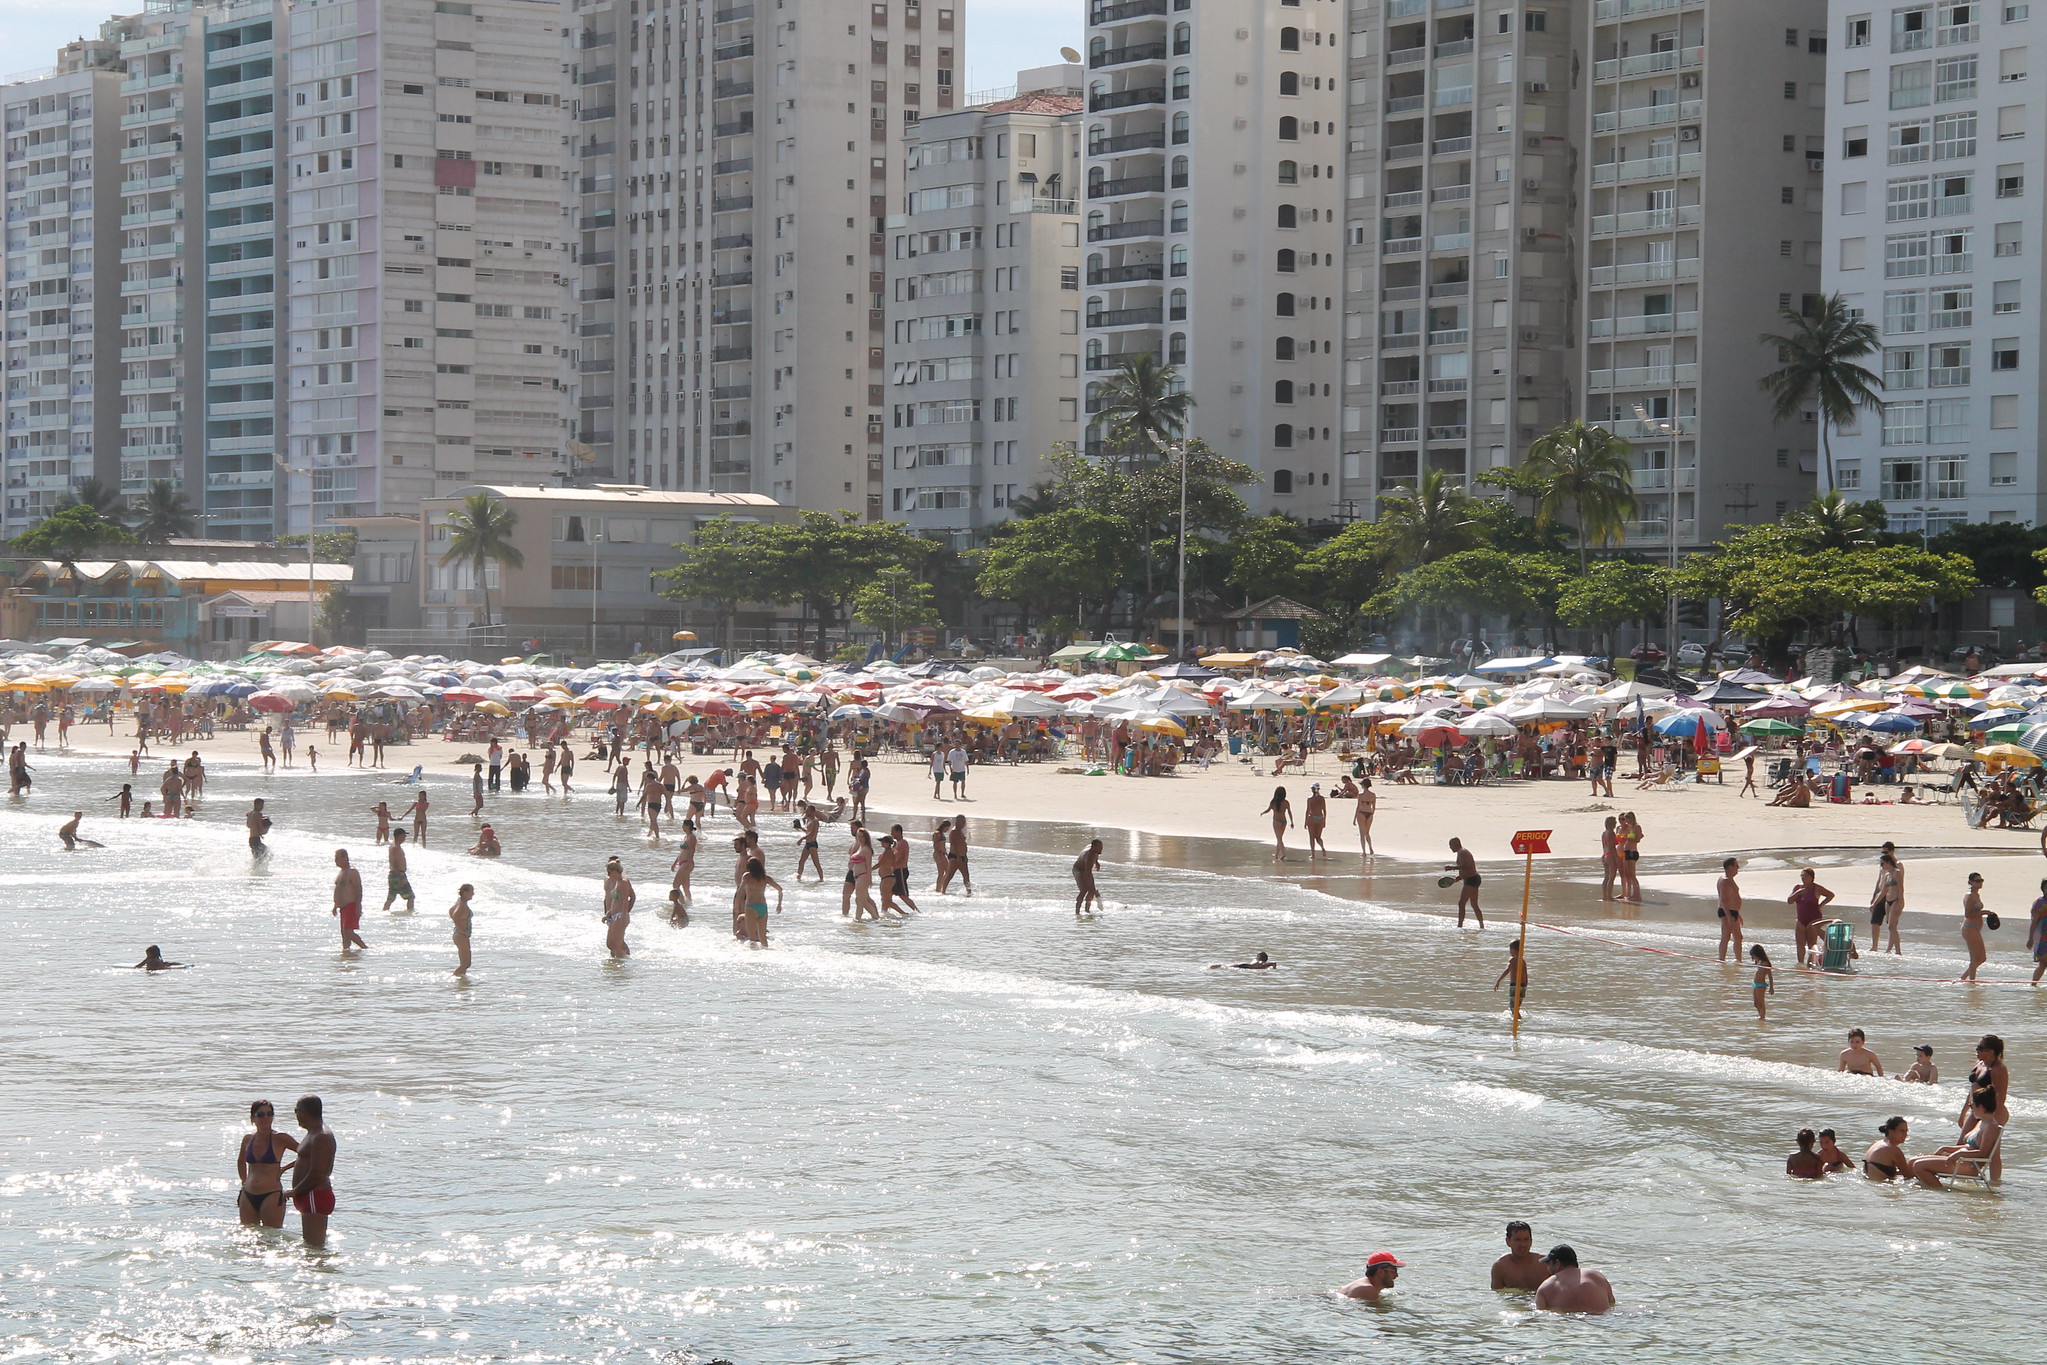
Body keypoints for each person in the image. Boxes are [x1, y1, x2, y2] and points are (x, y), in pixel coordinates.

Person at [1909, 1086, 2003, 1187]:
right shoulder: (1982, 1122)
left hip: (1970, 1166)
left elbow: (1983, 1153)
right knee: (1912, 1161)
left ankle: (1940, 1191)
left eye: (1971, 1106)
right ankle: (1920, 1187)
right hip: (1962, 1161)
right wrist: (1946, 1149)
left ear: (1980, 1106)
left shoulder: (1990, 1126)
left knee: (1918, 1166)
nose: (1971, 1109)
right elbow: (1970, 1146)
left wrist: (1958, 1154)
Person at [235, 1099, 299, 1229]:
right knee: (247, 1237)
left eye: (269, 1114)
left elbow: (306, 1154)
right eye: (261, 1114)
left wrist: (283, 1169)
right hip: (248, 1194)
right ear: (253, 1118)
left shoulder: (280, 1138)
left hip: (271, 1195)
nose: (266, 1117)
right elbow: (241, 1161)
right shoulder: (248, 1139)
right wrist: (243, 1181)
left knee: (271, 1238)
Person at [286, 1095, 337, 1247]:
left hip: (315, 1195)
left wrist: (293, 1191)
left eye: (296, 1110)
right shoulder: (313, 1133)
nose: (295, 1115)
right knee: (309, 1246)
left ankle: (320, 1270)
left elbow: (318, 1174)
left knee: (315, 1248)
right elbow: (307, 1160)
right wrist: (283, 1169)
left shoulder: (322, 1136)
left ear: (304, 1112)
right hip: (309, 1196)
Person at [1961, 1035, 2009, 1180]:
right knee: (1962, 1141)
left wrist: (1989, 1120)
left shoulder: (1998, 1069)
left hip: (1993, 1111)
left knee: (1993, 1152)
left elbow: (2000, 1096)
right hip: (1975, 1109)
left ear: (1992, 1051)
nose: (1977, 1050)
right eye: (1977, 1047)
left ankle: (1995, 1182)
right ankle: (1964, 1174)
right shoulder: (1979, 1064)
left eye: (1981, 1048)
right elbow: (1972, 1089)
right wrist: (1963, 1112)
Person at [1532, 1245, 1615, 1314]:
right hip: (1602, 1322)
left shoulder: (1546, 1287)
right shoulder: (1597, 1276)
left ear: (1557, 1263)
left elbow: (1541, 1314)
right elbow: (1612, 1303)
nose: (1547, 1268)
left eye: (1548, 1263)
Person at [1787, 868, 1835, 966]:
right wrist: (1797, 893)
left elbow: (1830, 895)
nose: (1803, 877)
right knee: (1800, 944)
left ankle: (1810, 964)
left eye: (1805, 875)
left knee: (1811, 943)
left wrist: (1821, 905)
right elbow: (1789, 901)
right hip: (1801, 919)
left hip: (1814, 918)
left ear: (1811, 877)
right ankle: (1800, 965)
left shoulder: (1816, 888)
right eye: (1801, 875)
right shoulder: (1797, 887)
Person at [1490, 1221, 1548, 1292]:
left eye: (1526, 1239)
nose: (1523, 1245)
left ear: (1531, 1241)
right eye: (1518, 1240)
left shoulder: (1545, 1263)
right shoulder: (1500, 1267)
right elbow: (1496, 1294)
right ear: (1508, 1241)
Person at [738, 855, 782, 947]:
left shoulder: (746, 877)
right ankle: (766, 954)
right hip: (762, 907)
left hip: (751, 907)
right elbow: (780, 889)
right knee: (763, 937)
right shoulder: (765, 878)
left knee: (752, 938)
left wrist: (737, 905)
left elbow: (740, 891)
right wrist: (779, 904)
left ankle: (754, 957)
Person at [1337, 1251, 1405, 1302]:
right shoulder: (1369, 1290)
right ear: (1380, 1272)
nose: (1396, 1275)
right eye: (1394, 1271)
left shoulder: (1365, 1283)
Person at [1871, 847, 1903, 955]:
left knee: (1892, 926)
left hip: (1896, 900)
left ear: (1888, 863)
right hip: (1888, 900)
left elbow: (1901, 888)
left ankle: (1898, 951)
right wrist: (1874, 904)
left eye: (1883, 864)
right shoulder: (1887, 875)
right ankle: (1889, 949)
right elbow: (1883, 892)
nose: (1882, 866)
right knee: (1890, 925)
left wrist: (1900, 902)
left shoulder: (1897, 872)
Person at [1446, 837, 1484, 928]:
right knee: (1474, 905)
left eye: (1451, 845)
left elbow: (1466, 866)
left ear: (1456, 844)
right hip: (1473, 878)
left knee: (1461, 903)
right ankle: (1482, 926)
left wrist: (1452, 868)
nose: (1450, 848)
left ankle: (1460, 926)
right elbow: (1468, 868)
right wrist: (1459, 877)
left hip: (1471, 879)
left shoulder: (1462, 852)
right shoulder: (1462, 852)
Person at [602, 856, 636, 958]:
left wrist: (624, 915)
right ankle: (622, 959)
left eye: (609, 872)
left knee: (617, 944)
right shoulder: (616, 882)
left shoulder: (624, 883)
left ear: (616, 871)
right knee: (610, 944)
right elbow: (611, 900)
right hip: (613, 915)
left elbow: (626, 901)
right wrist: (607, 914)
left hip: (620, 916)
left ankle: (621, 967)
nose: (608, 874)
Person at [1715, 856, 1744, 962]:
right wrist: (1729, 917)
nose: (1738, 868)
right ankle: (1734, 960)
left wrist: (1738, 914)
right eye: (1736, 866)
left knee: (1731, 937)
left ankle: (1731, 959)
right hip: (1727, 911)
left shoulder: (1729, 879)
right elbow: (1723, 900)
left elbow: (1732, 898)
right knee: (1734, 937)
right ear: (1729, 867)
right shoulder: (1725, 880)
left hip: (1732, 911)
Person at [1960, 871, 1988, 982]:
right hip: (1969, 927)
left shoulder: (1976, 894)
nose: (1980, 883)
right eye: (1977, 881)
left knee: (1982, 958)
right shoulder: (1970, 896)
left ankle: (1964, 979)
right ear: (1971, 882)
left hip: (1975, 928)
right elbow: (1968, 914)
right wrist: (1983, 913)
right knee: (1975, 958)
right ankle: (1971, 982)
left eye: (1981, 880)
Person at [381, 829, 415, 915]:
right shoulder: (395, 848)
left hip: (395, 874)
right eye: (404, 835)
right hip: (398, 874)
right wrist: (400, 877)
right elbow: (394, 862)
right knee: (410, 897)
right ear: (399, 836)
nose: (405, 837)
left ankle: (384, 912)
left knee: (391, 898)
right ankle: (410, 914)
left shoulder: (394, 846)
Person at [1864, 1116, 1910, 1181]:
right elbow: (1909, 1176)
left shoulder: (1877, 1144)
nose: (1906, 1134)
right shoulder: (1893, 1149)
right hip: (1883, 1188)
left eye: (1906, 1131)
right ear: (1891, 1131)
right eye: (1902, 1131)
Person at [1493, 938, 1528, 1013]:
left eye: (1510, 949)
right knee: (1516, 1008)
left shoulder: (1512, 960)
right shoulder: (1522, 960)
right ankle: (1518, 1021)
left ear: (1513, 950)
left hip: (1515, 986)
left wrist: (1498, 981)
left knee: (1513, 1009)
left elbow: (1507, 970)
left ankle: (1518, 1021)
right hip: (1522, 986)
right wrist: (1525, 986)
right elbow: (1525, 974)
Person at [448, 883, 474, 976]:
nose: (473, 894)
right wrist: (462, 930)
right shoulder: (461, 905)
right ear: (465, 892)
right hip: (461, 935)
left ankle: (462, 981)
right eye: (471, 891)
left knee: (466, 964)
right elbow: (455, 915)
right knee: (465, 964)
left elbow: (451, 911)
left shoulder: (459, 902)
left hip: (459, 934)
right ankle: (455, 979)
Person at [1073, 838, 1104, 916]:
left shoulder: (1095, 851)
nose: (1101, 850)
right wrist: (1094, 889)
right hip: (1078, 870)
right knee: (1084, 890)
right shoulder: (1089, 856)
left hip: (1086, 870)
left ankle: (1087, 910)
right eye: (1100, 848)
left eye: (1102, 847)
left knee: (1091, 890)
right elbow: (1088, 874)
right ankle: (1077, 912)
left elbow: (1096, 855)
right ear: (1094, 847)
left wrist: (1096, 862)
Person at [942, 815, 972, 895]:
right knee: (950, 875)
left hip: (962, 856)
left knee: (966, 876)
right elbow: (954, 845)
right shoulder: (954, 831)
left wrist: (964, 856)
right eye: (962, 822)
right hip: (955, 856)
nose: (964, 824)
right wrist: (958, 857)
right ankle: (943, 891)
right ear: (957, 822)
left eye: (964, 822)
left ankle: (969, 892)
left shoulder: (959, 831)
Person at [1260, 787, 1292, 861]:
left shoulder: (1274, 802)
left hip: (1276, 821)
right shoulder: (1286, 802)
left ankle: (1283, 853)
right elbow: (1289, 812)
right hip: (1284, 821)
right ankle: (1277, 855)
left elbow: (1268, 810)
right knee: (1279, 838)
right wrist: (1292, 821)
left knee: (1279, 838)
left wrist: (1263, 813)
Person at [1748, 944, 1775, 1021]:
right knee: (1756, 1004)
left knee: (1760, 1003)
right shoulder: (1759, 962)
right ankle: (1760, 1015)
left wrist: (1771, 987)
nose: (1753, 958)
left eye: (1754, 956)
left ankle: (1762, 1017)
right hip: (1755, 984)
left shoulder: (1765, 963)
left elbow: (1770, 976)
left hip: (1761, 985)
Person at [1353, 778, 1377, 861]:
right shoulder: (1373, 795)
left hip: (1362, 813)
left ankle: (1364, 851)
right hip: (1369, 813)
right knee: (1367, 832)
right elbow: (1374, 807)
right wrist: (1372, 814)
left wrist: (1354, 818)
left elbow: (1358, 806)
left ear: (1363, 785)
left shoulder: (1360, 795)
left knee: (1362, 834)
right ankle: (1370, 848)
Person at [1303, 784, 1328, 856]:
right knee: (1318, 837)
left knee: (1311, 837)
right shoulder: (1322, 798)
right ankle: (1322, 848)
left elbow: (1308, 811)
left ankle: (1313, 854)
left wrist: (1305, 821)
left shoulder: (1310, 799)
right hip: (1320, 817)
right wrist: (1324, 820)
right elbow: (1324, 810)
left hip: (1312, 818)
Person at [2031, 879, 2047, 985]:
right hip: (2042, 938)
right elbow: (2034, 922)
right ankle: (2033, 984)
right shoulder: (2039, 903)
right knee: (2043, 964)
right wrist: (2030, 938)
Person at [1209, 952, 1277, 970]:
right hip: (1246, 966)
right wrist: (1274, 969)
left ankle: (1213, 966)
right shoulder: (1263, 964)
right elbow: (1274, 963)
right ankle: (1215, 966)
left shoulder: (1261, 962)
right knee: (1226, 966)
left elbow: (1274, 963)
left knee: (1227, 966)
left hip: (1246, 966)